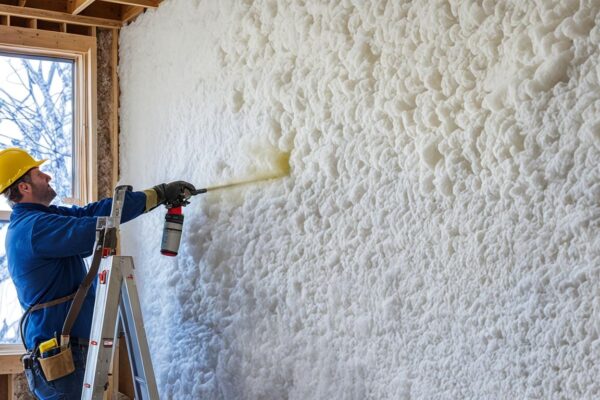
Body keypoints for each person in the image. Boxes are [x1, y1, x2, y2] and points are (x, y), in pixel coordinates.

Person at [0, 147, 194, 399]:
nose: (47, 176)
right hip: (63, 357)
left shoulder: (40, 219)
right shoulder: (35, 227)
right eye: (39, 174)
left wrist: (157, 194)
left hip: (64, 352)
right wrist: (137, 203)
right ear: (24, 187)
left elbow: (91, 213)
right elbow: (96, 228)